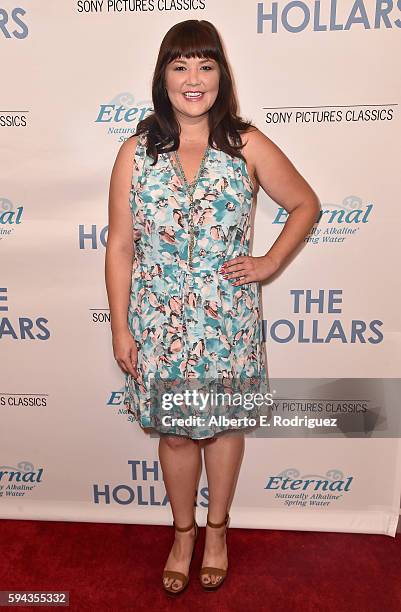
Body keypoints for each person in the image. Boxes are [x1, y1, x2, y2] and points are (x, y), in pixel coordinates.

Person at [105, 19, 320, 596]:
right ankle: (182, 534)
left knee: (222, 430)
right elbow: (121, 245)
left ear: (222, 76)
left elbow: (305, 203)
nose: (193, 79)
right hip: (159, 324)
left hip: (226, 322)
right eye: (180, 66)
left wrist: (270, 263)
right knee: (175, 436)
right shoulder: (136, 151)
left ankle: (218, 532)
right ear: (163, 77)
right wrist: (121, 327)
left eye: (205, 65)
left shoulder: (245, 143)